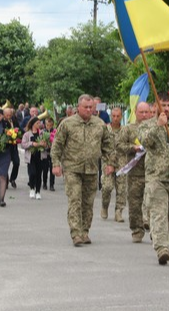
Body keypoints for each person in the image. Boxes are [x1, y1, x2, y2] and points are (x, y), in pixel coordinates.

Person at [51, 94, 115, 247]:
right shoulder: (67, 124)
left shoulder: (100, 124)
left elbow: (108, 145)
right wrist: (56, 164)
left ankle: (85, 231)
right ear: (78, 107)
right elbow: (57, 145)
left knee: (88, 202)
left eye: (90, 107)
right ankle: (75, 233)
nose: (88, 110)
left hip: (92, 169)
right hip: (72, 168)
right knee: (75, 200)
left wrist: (110, 163)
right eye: (85, 107)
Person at [137, 92, 169, 265]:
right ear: (155, 107)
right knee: (158, 214)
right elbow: (145, 142)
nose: (166, 109)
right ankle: (161, 248)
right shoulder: (146, 125)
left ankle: (167, 245)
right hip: (156, 177)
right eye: (163, 105)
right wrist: (158, 126)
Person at [118, 102, 152, 242]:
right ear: (135, 112)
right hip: (135, 172)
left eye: (146, 112)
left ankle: (152, 226)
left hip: (153, 172)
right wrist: (133, 148)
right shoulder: (128, 129)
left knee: (152, 201)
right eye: (141, 112)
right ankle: (137, 230)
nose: (144, 115)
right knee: (134, 202)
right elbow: (119, 145)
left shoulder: (155, 128)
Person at [100, 107, 127, 222]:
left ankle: (118, 212)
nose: (116, 118)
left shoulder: (125, 130)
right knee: (107, 187)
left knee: (121, 189)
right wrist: (108, 163)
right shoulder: (105, 129)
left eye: (118, 116)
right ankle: (105, 206)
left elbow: (131, 143)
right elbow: (101, 147)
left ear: (121, 117)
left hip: (122, 163)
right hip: (107, 162)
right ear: (111, 116)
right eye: (114, 116)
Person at [22, 117, 47, 200]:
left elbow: (48, 144)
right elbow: (23, 144)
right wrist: (32, 144)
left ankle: (38, 191)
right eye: (37, 123)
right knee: (32, 173)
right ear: (33, 124)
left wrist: (44, 145)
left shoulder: (42, 133)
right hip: (31, 157)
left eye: (39, 123)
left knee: (39, 174)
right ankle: (32, 188)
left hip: (40, 156)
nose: (39, 125)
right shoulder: (27, 134)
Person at [4, 107, 21, 189]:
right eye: (7, 115)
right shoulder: (2, 122)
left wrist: (19, 135)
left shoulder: (14, 119)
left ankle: (13, 179)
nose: (8, 116)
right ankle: (5, 181)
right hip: (6, 146)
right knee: (5, 164)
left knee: (17, 162)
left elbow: (19, 129)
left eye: (10, 115)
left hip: (14, 146)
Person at [41, 117, 56, 191]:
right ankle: (44, 183)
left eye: (50, 125)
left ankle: (52, 185)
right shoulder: (43, 132)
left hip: (53, 153)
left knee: (53, 169)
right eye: (47, 125)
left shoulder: (55, 131)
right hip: (45, 152)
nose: (49, 127)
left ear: (52, 125)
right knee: (45, 169)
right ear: (45, 125)